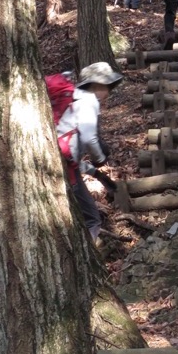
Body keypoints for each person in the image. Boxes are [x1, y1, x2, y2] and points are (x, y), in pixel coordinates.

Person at [56, 62, 123, 242]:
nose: (108, 92)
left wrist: (96, 174)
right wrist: (99, 158)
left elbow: (70, 148)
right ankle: (88, 259)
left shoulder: (72, 98)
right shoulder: (88, 100)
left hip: (62, 163)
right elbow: (88, 138)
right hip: (65, 168)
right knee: (92, 218)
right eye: (107, 86)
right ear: (95, 85)